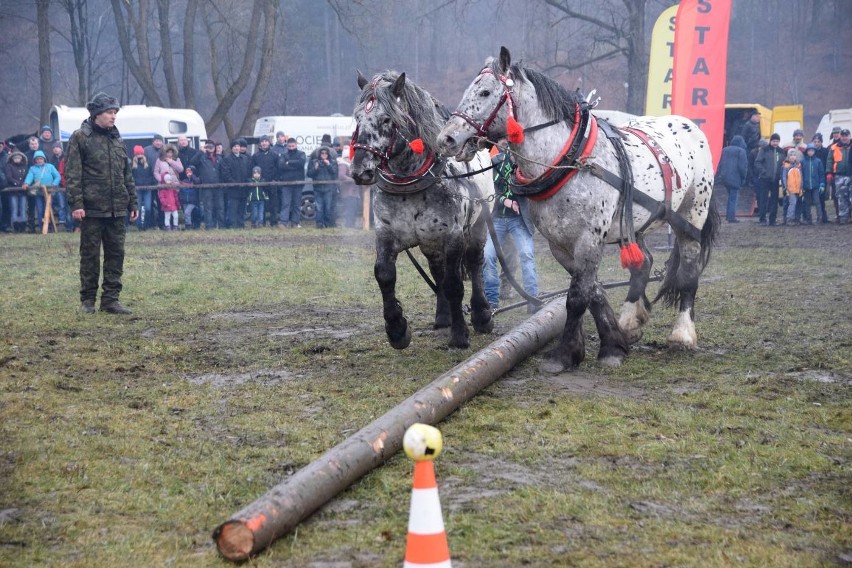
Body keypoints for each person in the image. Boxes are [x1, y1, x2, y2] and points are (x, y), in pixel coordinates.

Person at [65, 92, 138, 314]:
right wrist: (76, 204)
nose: (114, 116)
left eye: (115, 112)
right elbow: (73, 174)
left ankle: (111, 300)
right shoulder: (80, 137)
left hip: (117, 209)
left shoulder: (117, 139)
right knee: (90, 256)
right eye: (109, 112)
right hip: (91, 209)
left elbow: (127, 175)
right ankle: (87, 301)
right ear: (97, 114)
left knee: (116, 255)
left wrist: (133, 203)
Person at [483, 144, 539, 312]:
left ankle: (533, 299)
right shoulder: (496, 162)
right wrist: (504, 201)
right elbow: (488, 189)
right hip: (497, 219)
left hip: (519, 219)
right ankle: (491, 301)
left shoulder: (529, 164)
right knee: (487, 257)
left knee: (527, 255)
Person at [22, 150, 61, 232]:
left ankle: (50, 228)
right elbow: (29, 177)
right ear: (35, 160)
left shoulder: (50, 166)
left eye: (41, 159)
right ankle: (42, 228)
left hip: (49, 192)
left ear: (44, 159)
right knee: (40, 210)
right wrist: (26, 183)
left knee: (49, 209)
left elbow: (57, 176)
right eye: (37, 159)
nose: (39, 160)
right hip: (38, 192)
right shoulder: (32, 169)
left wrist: (54, 184)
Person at [754, 133, 787, 226]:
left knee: (774, 200)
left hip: (776, 179)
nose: (775, 143)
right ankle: (762, 219)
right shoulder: (764, 150)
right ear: (770, 141)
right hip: (764, 179)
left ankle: (773, 219)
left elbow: (784, 164)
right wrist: (763, 172)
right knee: (763, 199)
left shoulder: (781, 152)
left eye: (777, 141)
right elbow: (757, 162)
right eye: (774, 141)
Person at [219, 138, 251, 228]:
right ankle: (233, 226)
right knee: (232, 209)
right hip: (232, 189)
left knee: (242, 209)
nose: (237, 148)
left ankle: (241, 225)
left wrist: (246, 182)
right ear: (231, 148)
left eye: (238, 146)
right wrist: (234, 183)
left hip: (244, 189)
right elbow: (226, 174)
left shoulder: (245, 158)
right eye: (235, 146)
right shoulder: (227, 159)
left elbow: (248, 171)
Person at [716, 135, 748, 223]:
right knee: (733, 198)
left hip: (725, 177)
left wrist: (720, 175)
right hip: (736, 178)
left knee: (730, 197)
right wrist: (743, 178)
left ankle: (729, 215)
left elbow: (721, 163)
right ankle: (731, 217)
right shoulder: (741, 151)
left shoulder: (725, 150)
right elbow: (743, 167)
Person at [277, 137, 306, 228]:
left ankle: (295, 222)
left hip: (298, 182)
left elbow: (301, 163)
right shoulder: (283, 155)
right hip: (286, 183)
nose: (291, 148)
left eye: (293, 146)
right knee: (285, 203)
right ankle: (283, 222)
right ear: (287, 146)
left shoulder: (302, 154)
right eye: (289, 146)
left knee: (296, 204)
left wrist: (288, 162)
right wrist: (294, 166)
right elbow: (281, 166)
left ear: (296, 145)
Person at [251, 135, 279, 227]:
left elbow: (278, 168)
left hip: (272, 182)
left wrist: (275, 179)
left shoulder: (274, 155)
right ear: (260, 144)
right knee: (260, 204)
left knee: (273, 204)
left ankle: (274, 222)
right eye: (262, 141)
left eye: (266, 141)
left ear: (269, 142)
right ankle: (261, 222)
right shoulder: (255, 156)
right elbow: (252, 169)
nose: (264, 143)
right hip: (260, 184)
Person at [307, 146, 338, 228]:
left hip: (329, 188)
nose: (324, 155)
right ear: (319, 154)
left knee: (328, 207)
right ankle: (319, 224)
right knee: (319, 208)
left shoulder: (333, 162)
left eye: (326, 153)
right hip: (317, 188)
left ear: (328, 154)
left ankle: (328, 224)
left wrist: (329, 165)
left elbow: (334, 173)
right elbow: (309, 174)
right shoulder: (314, 162)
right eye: (322, 153)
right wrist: (315, 168)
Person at [195, 139, 223, 229]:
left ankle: (221, 226)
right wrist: (200, 152)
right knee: (208, 208)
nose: (210, 148)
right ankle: (209, 227)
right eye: (208, 146)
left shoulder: (219, 158)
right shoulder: (201, 157)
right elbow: (192, 162)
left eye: (212, 146)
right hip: (206, 187)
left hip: (218, 186)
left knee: (219, 207)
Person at [826, 128, 851, 224]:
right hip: (839, 176)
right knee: (841, 198)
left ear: (849, 136)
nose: (844, 138)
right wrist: (828, 172)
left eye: (846, 135)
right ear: (840, 136)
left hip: (851, 175)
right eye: (843, 136)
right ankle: (843, 218)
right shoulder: (833, 147)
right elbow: (829, 161)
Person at [130, 145, 156, 231]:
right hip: (137, 189)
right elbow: (130, 177)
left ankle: (146, 225)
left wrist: (149, 182)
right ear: (135, 155)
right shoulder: (132, 166)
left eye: (141, 153)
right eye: (138, 154)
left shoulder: (148, 164)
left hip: (147, 189)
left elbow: (152, 175)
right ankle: (139, 226)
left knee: (148, 208)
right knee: (137, 208)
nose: (140, 155)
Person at [800, 144, 826, 225]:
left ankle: (819, 218)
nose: (810, 152)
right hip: (806, 186)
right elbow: (801, 174)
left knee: (817, 202)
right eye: (809, 150)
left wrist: (822, 184)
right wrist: (802, 185)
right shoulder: (803, 162)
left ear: (815, 151)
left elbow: (821, 173)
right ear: (806, 151)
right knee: (807, 203)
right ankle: (808, 219)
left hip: (816, 186)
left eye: (812, 150)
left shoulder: (818, 161)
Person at [4, 150, 28, 232]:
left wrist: (24, 183)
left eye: (19, 158)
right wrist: (17, 183)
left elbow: (27, 176)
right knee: (14, 208)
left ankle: (23, 225)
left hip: (23, 191)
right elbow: (9, 177)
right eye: (15, 158)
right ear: (12, 158)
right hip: (13, 191)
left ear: (21, 159)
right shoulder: (9, 166)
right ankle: (15, 226)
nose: (17, 159)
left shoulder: (25, 166)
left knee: (23, 208)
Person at [336, 150, 360, 228]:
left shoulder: (349, 165)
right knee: (350, 209)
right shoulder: (343, 165)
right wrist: (354, 180)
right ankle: (349, 225)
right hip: (348, 191)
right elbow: (341, 176)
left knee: (353, 209)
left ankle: (351, 224)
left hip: (352, 191)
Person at [49, 145, 70, 230]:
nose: (56, 149)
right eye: (54, 148)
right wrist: (63, 182)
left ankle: (70, 225)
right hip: (60, 184)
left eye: (57, 147)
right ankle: (62, 222)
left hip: (71, 185)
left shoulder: (69, 159)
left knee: (69, 206)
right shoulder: (53, 160)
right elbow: (60, 173)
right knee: (61, 205)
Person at [811, 134, 830, 223]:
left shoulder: (826, 151)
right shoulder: (810, 152)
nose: (816, 143)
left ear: (821, 142)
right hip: (813, 178)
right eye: (815, 141)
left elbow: (828, 163)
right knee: (813, 199)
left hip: (822, 177)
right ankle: (814, 216)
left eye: (818, 141)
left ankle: (823, 216)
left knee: (822, 198)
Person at [780, 150, 803, 225]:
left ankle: (797, 218)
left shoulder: (798, 165)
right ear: (788, 156)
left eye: (794, 155)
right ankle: (789, 219)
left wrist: (801, 187)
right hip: (790, 189)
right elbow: (783, 177)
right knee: (792, 203)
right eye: (791, 155)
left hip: (798, 189)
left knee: (798, 203)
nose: (792, 157)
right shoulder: (785, 166)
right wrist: (785, 188)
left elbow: (801, 177)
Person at [180, 165, 201, 230]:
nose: (188, 172)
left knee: (187, 212)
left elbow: (197, 182)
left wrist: (192, 176)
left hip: (193, 201)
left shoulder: (196, 179)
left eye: (190, 170)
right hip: (185, 200)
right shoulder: (184, 180)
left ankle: (188, 225)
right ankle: (188, 225)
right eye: (187, 170)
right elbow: (181, 191)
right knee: (186, 213)